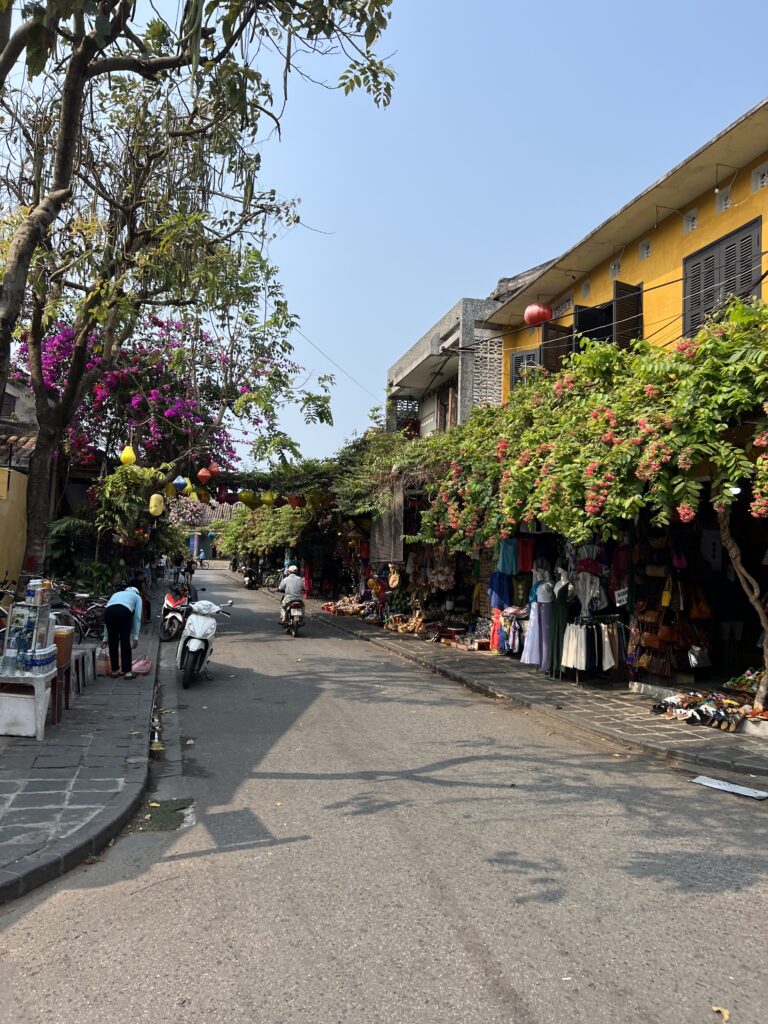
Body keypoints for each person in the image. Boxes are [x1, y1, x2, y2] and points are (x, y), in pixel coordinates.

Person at [104, 586, 143, 678]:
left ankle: (114, 671)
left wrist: (105, 638)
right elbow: (137, 617)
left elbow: (106, 623)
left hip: (108, 612)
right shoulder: (137, 597)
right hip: (124, 612)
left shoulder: (116, 594)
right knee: (125, 641)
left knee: (112, 642)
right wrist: (135, 637)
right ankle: (127, 672)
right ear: (137, 592)